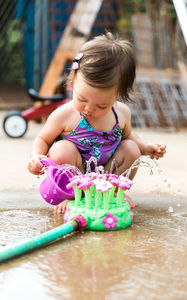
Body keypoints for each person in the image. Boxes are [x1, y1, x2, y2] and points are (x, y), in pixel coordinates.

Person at [27, 33, 166, 213]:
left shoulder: (121, 113)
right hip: (74, 177)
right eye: (81, 99)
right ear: (73, 81)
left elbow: (129, 136)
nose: (88, 109)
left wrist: (145, 147)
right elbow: (42, 140)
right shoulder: (65, 114)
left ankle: (113, 193)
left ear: (118, 95)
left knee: (131, 148)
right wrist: (36, 157)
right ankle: (73, 198)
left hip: (104, 172)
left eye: (101, 105)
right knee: (61, 150)